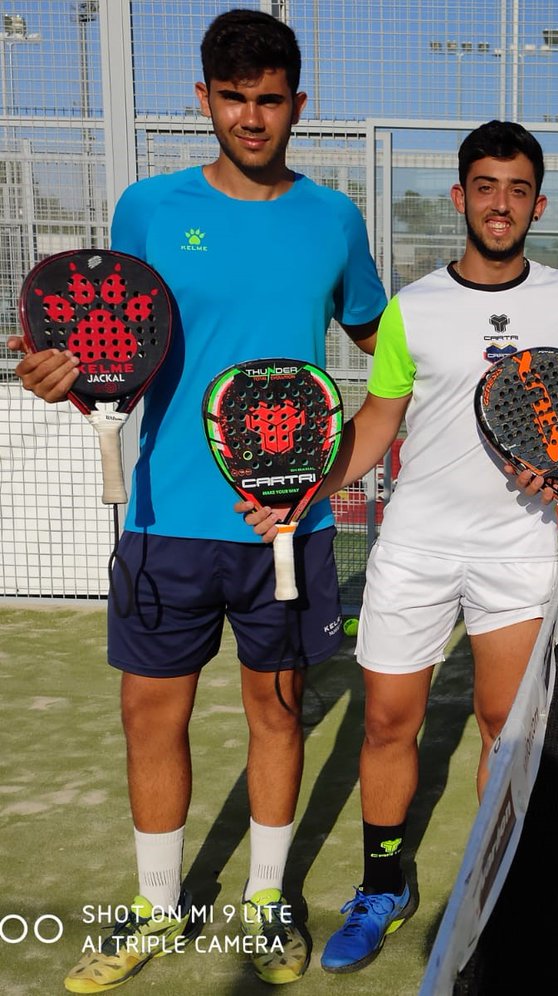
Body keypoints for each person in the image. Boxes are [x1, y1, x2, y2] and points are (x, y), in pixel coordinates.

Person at [7, 9, 387, 990]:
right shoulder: (146, 208)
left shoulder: (335, 220)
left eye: (269, 101)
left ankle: (267, 903)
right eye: (233, 99)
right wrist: (64, 377)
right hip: (163, 518)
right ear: (204, 101)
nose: (252, 119)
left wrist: (333, 472)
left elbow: (388, 356)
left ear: (299, 103)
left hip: (282, 526)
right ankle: (156, 908)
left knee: (279, 712)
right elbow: (109, 351)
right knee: (151, 716)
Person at [242, 120, 558, 974]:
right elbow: (376, 422)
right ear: (461, 197)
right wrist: (312, 487)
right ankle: (383, 885)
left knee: (502, 731)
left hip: (517, 547)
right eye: (486, 187)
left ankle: (494, 891)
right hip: (414, 545)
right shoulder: (412, 307)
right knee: (388, 723)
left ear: (538, 203)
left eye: (518, 190)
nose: (501, 204)